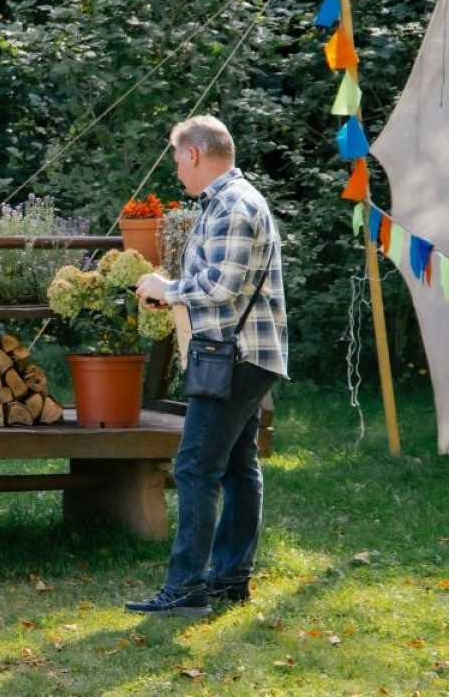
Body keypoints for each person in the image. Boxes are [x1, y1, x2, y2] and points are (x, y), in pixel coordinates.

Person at [129, 115, 287, 616]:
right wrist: (174, 296)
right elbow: (219, 283)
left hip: (234, 357)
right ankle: (230, 579)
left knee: (195, 467)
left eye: (178, 160)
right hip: (239, 354)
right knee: (239, 467)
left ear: (194, 154)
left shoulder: (234, 206)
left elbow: (221, 289)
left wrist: (166, 289)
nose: (178, 171)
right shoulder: (227, 201)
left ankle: (188, 587)